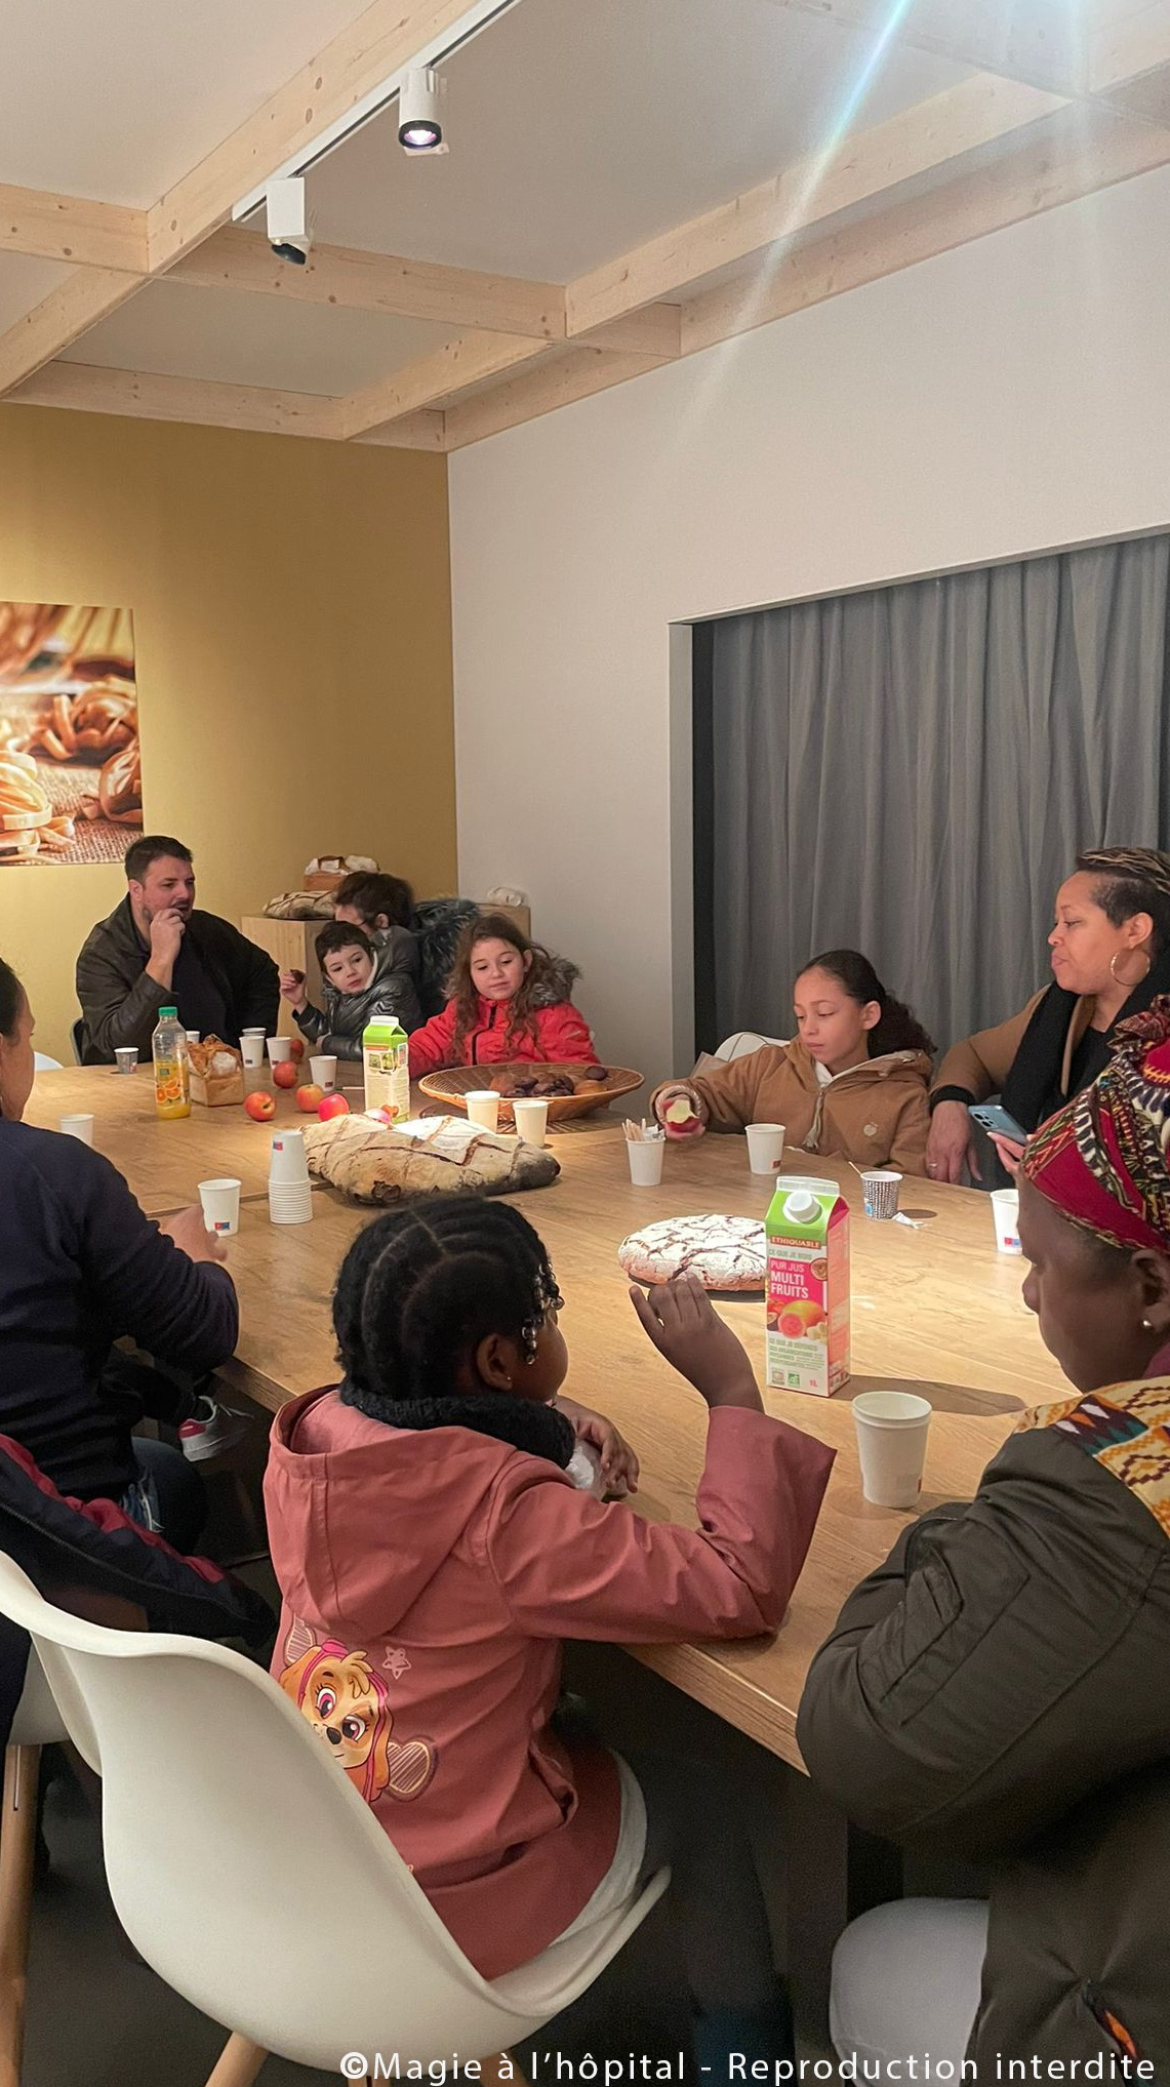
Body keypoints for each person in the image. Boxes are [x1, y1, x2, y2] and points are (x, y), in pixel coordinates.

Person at [264, 1197, 834, 2063]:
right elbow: (738, 1584)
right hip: (439, 1903)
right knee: (707, 1802)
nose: (556, 1322)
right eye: (549, 1314)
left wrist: (541, 1419)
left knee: (583, 1720)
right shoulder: (510, 1522)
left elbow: (430, 1441)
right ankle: (749, 2056)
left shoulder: (313, 1442)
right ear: (498, 1360)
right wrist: (730, 1391)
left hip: (306, 1848)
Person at [797, 998, 1170, 2075]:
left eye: (1046, 1264)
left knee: (872, 1951)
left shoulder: (1114, 1495)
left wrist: (998, 1493)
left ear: (1150, 1285)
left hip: (1124, 2010)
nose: (1028, 1284)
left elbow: (861, 1736)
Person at [0, 956, 243, 1544]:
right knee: (173, 1482)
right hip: (59, 1516)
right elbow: (203, 1333)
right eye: (29, 1037)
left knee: (166, 1465)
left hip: (18, 1497)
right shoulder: (51, 1172)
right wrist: (196, 1258)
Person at [926, 846, 1170, 1183]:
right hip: (1032, 1224)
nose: (1053, 937)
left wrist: (1061, 1174)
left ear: (1135, 931)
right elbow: (973, 1057)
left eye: (1072, 922)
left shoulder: (1162, 1035)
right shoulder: (1062, 1008)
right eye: (1057, 923)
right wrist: (950, 1104)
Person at [650, 950, 935, 1175]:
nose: (808, 1028)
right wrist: (680, 1104)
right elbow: (704, 1092)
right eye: (801, 1015)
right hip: (756, 1218)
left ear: (868, 1016)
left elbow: (911, 1184)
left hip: (848, 1231)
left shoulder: (904, 1095)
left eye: (824, 1013)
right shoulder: (771, 1066)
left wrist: (815, 1172)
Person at [76, 834, 279, 1064]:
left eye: (189, 882)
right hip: (131, 1085)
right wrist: (161, 959)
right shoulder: (101, 953)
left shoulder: (207, 930)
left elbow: (262, 972)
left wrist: (249, 1044)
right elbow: (120, 1045)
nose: (184, 894)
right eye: (169, 884)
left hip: (214, 1078)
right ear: (136, 890)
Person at [408, 912, 597, 1075]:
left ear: (526, 961)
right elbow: (425, 1048)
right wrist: (391, 1062)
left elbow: (584, 1078)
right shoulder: (462, 1008)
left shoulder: (554, 1015)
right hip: (477, 1110)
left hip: (537, 1112)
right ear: (469, 974)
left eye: (506, 962)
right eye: (482, 967)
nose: (496, 974)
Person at [280, 920, 422, 1052]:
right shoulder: (342, 992)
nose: (350, 972)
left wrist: (326, 1044)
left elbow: (372, 1048)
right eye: (337, 969)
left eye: (357, 960)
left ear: (371, 956)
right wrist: (300, 1004)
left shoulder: (393, 988)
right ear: (329, 977)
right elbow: (327, 1035)